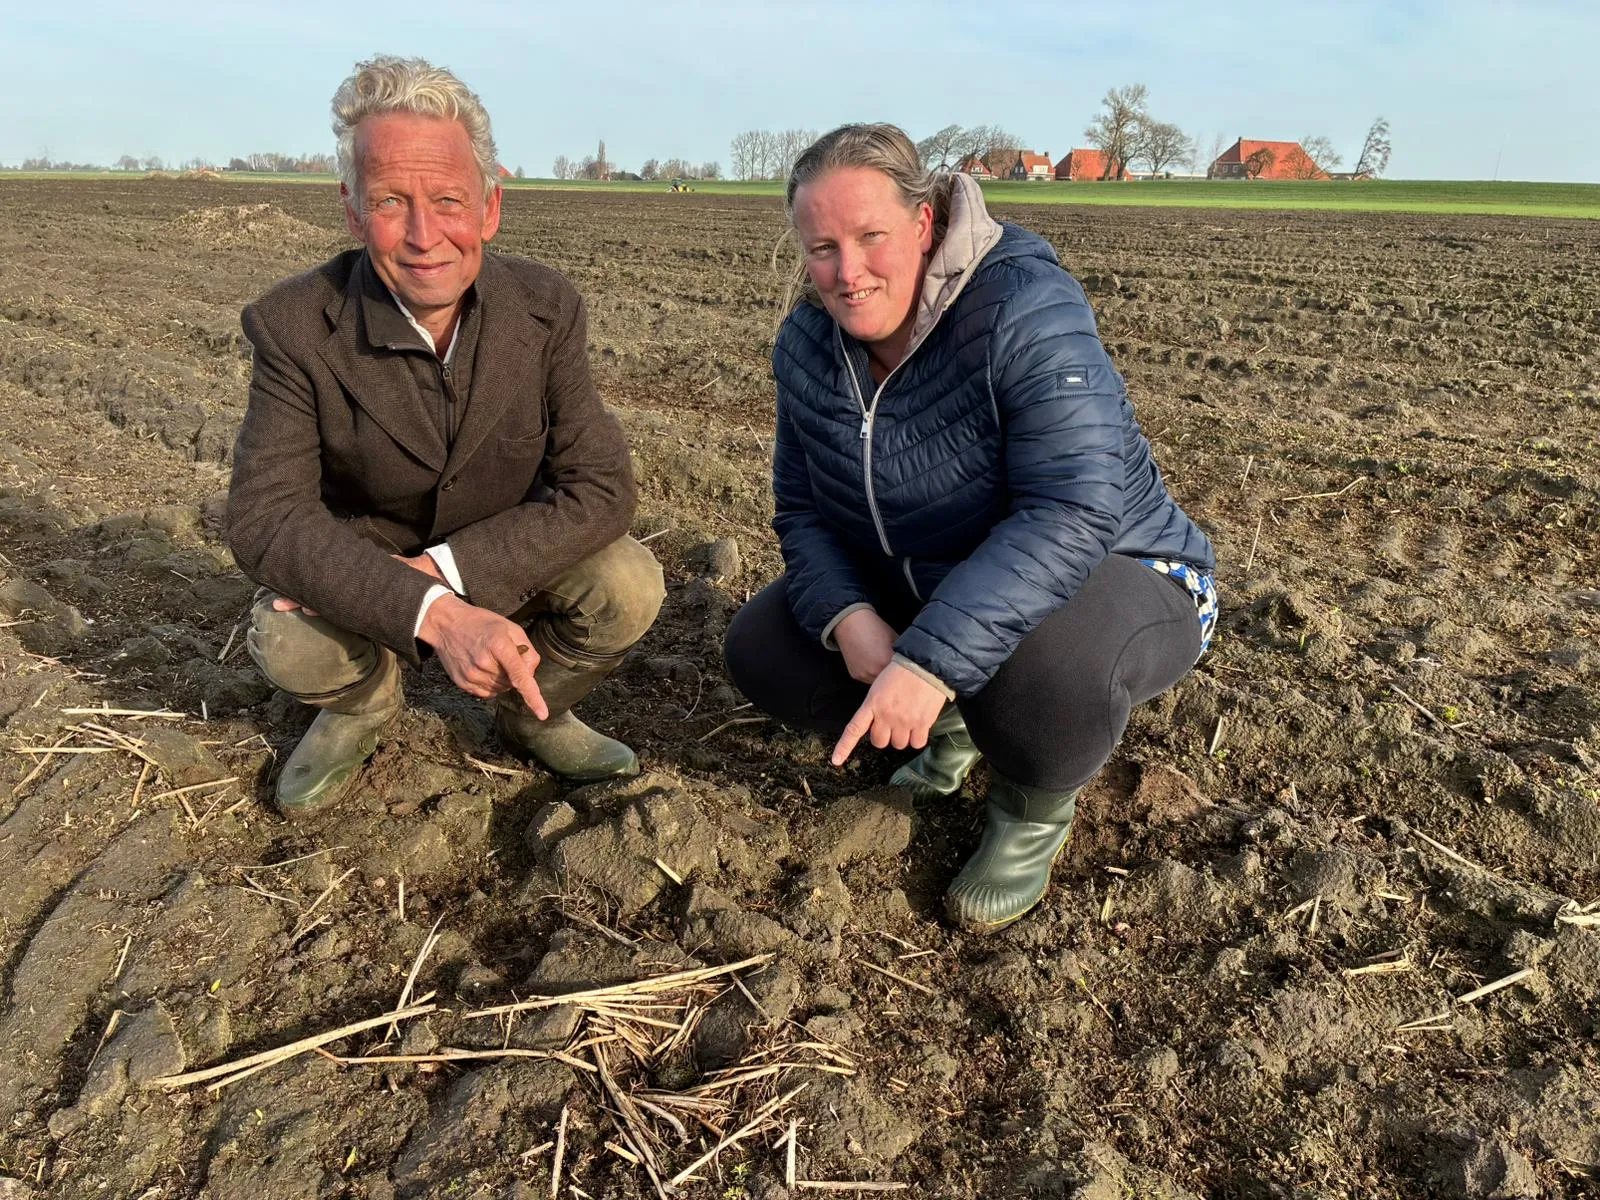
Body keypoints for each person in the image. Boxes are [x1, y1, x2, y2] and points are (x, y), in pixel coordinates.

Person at [724, 124, 1217, 933]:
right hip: (940, 575)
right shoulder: (808, 345)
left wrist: (927, 660)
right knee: (767, 648)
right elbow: (802, 509)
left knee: (1042, 665)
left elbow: (1075, 508)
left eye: (870, 237)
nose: (847, 273)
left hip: (1125, 571)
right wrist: (849, 616)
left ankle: (1031, 809)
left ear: (924, 224)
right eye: (822, 249)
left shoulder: (1022, 305)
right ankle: (952, 723)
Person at [228, 56, 664, 817]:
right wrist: (431, 610)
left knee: (628, 583)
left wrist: (445, 572)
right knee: (289, 640)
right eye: (390, 201)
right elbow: (266, 517)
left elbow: (601, 488)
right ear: (353, 213)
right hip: (366, 569)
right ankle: (363, 706)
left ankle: (532, 710)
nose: (424, 235)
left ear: (489, 208)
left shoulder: (545, 307)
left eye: (449, 200)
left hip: (505, 555)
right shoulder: (293, 324)